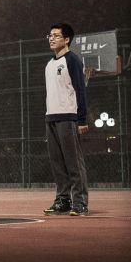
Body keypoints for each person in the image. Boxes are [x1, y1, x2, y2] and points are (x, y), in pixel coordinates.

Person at [43, 23, 90, 216]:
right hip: (51, 118)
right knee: (57, 163)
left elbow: (80, 90)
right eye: (50, 35)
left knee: (73, 162)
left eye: (56, 36)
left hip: (68, 118)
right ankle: (62, 200)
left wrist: (82, 119)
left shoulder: (73, 60)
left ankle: (80, 203)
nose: (52, 38)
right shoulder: (49, 64)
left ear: (67, 39)